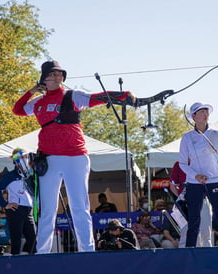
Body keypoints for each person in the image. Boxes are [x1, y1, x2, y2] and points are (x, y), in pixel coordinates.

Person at [12, 60, 135, 254]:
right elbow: (17, 110)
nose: (55, 77)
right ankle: (42, 253)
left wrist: (122, 95)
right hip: (49, 158)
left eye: (58, 74)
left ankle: (87, 252)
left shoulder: (72, 95)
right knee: (47, 211)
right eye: (51, 75)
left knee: (79, 207)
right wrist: (33, 90)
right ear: (43, 79)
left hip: (75, 157)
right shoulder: (38, 102)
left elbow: (97, 98)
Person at [179, 102, 218, 247]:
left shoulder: (217, 135)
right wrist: (196, 175)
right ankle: (190, 250)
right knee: (194, 220)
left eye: (206, 111)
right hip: (194, 183)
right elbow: (182, 163)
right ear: (194, 116)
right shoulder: (187, 138)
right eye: (201, 112)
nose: (205, 114)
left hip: (215, 180)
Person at [0, 148, 37, 255]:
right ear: (14, 160)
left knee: (33, 241)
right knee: (16, 242)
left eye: (24, 156)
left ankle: (34, 266)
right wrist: (5, 205)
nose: (22, 159)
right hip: (15, 210)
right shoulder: (10, 175)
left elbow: (35, 191)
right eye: (18, 157)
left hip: (29, 211)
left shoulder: (31, 174)